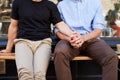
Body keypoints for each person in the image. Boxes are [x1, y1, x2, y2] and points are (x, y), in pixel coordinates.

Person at [0, 0, 75, 80]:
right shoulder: (18, 2)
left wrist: (73, 35)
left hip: (43, 43)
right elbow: (13, 26)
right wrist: (8, 48)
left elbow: (60, 24)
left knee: (40, 75)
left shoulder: (50, 5)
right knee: (25, 75)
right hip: (23, 42)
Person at [54, 0, 119, 80]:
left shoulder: (95, 3)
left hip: (90, 39)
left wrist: (83, 38)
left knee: (111, 57)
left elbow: (98, 29)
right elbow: (57, 31)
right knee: (59, 52)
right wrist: (70, 38)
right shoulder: (61, 5)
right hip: (69, 40)